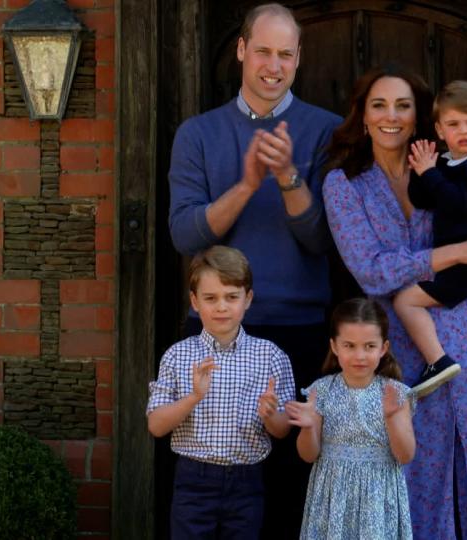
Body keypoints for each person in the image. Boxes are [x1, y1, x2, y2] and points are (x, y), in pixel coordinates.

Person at [322, 65, 467, 539]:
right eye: (379, 105)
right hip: (397, 351)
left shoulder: (453, 169)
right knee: (411, 476)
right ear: (363, 115)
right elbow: (371, 270)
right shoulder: (344, 184)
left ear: (420, 119)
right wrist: (461, 252)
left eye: (403, 106)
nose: (390, 116)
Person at [166, 4, 341, 535]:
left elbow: (322, 241)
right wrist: (245, 185)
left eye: (285, 54)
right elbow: (186, 236)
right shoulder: (198, 133)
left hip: (302, 332)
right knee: (216, 486)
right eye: (262, 51)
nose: (273, 65)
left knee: (292, 488)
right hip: (217, 333)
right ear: (241, 50)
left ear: (298, 59)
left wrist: (288, 176)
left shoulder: (327, 131)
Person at [146, 246, 295, 539]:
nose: (222, 307)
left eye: (231, 297)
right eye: (210, 298)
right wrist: (193, 397)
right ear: (194, 301)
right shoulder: (178, 355)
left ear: (248, 299)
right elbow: (156, 425)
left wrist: (270, 416)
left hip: (246, 481)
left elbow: (282, 431)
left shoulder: (270, 356)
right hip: (193, 480)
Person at [394, 80, 467, 397]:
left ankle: (437, 362)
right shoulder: (450, 162)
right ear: (440, 131)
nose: (464, 131)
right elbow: (423, 199)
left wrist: (431, 174)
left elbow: (459, 203)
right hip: (453, 262)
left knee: (405, 300)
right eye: (454, 124)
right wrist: (421, 170)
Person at [286, 298, 415, 540]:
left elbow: (405, 455)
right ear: (334, 346)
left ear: (383, 348)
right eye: (349, 345)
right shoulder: (320, 391)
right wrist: (308, 427)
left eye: (369, 346)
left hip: (378, 496)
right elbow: (308, 455)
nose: (360, 355)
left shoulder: (396, 394)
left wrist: (391, 418)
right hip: (332, 496)